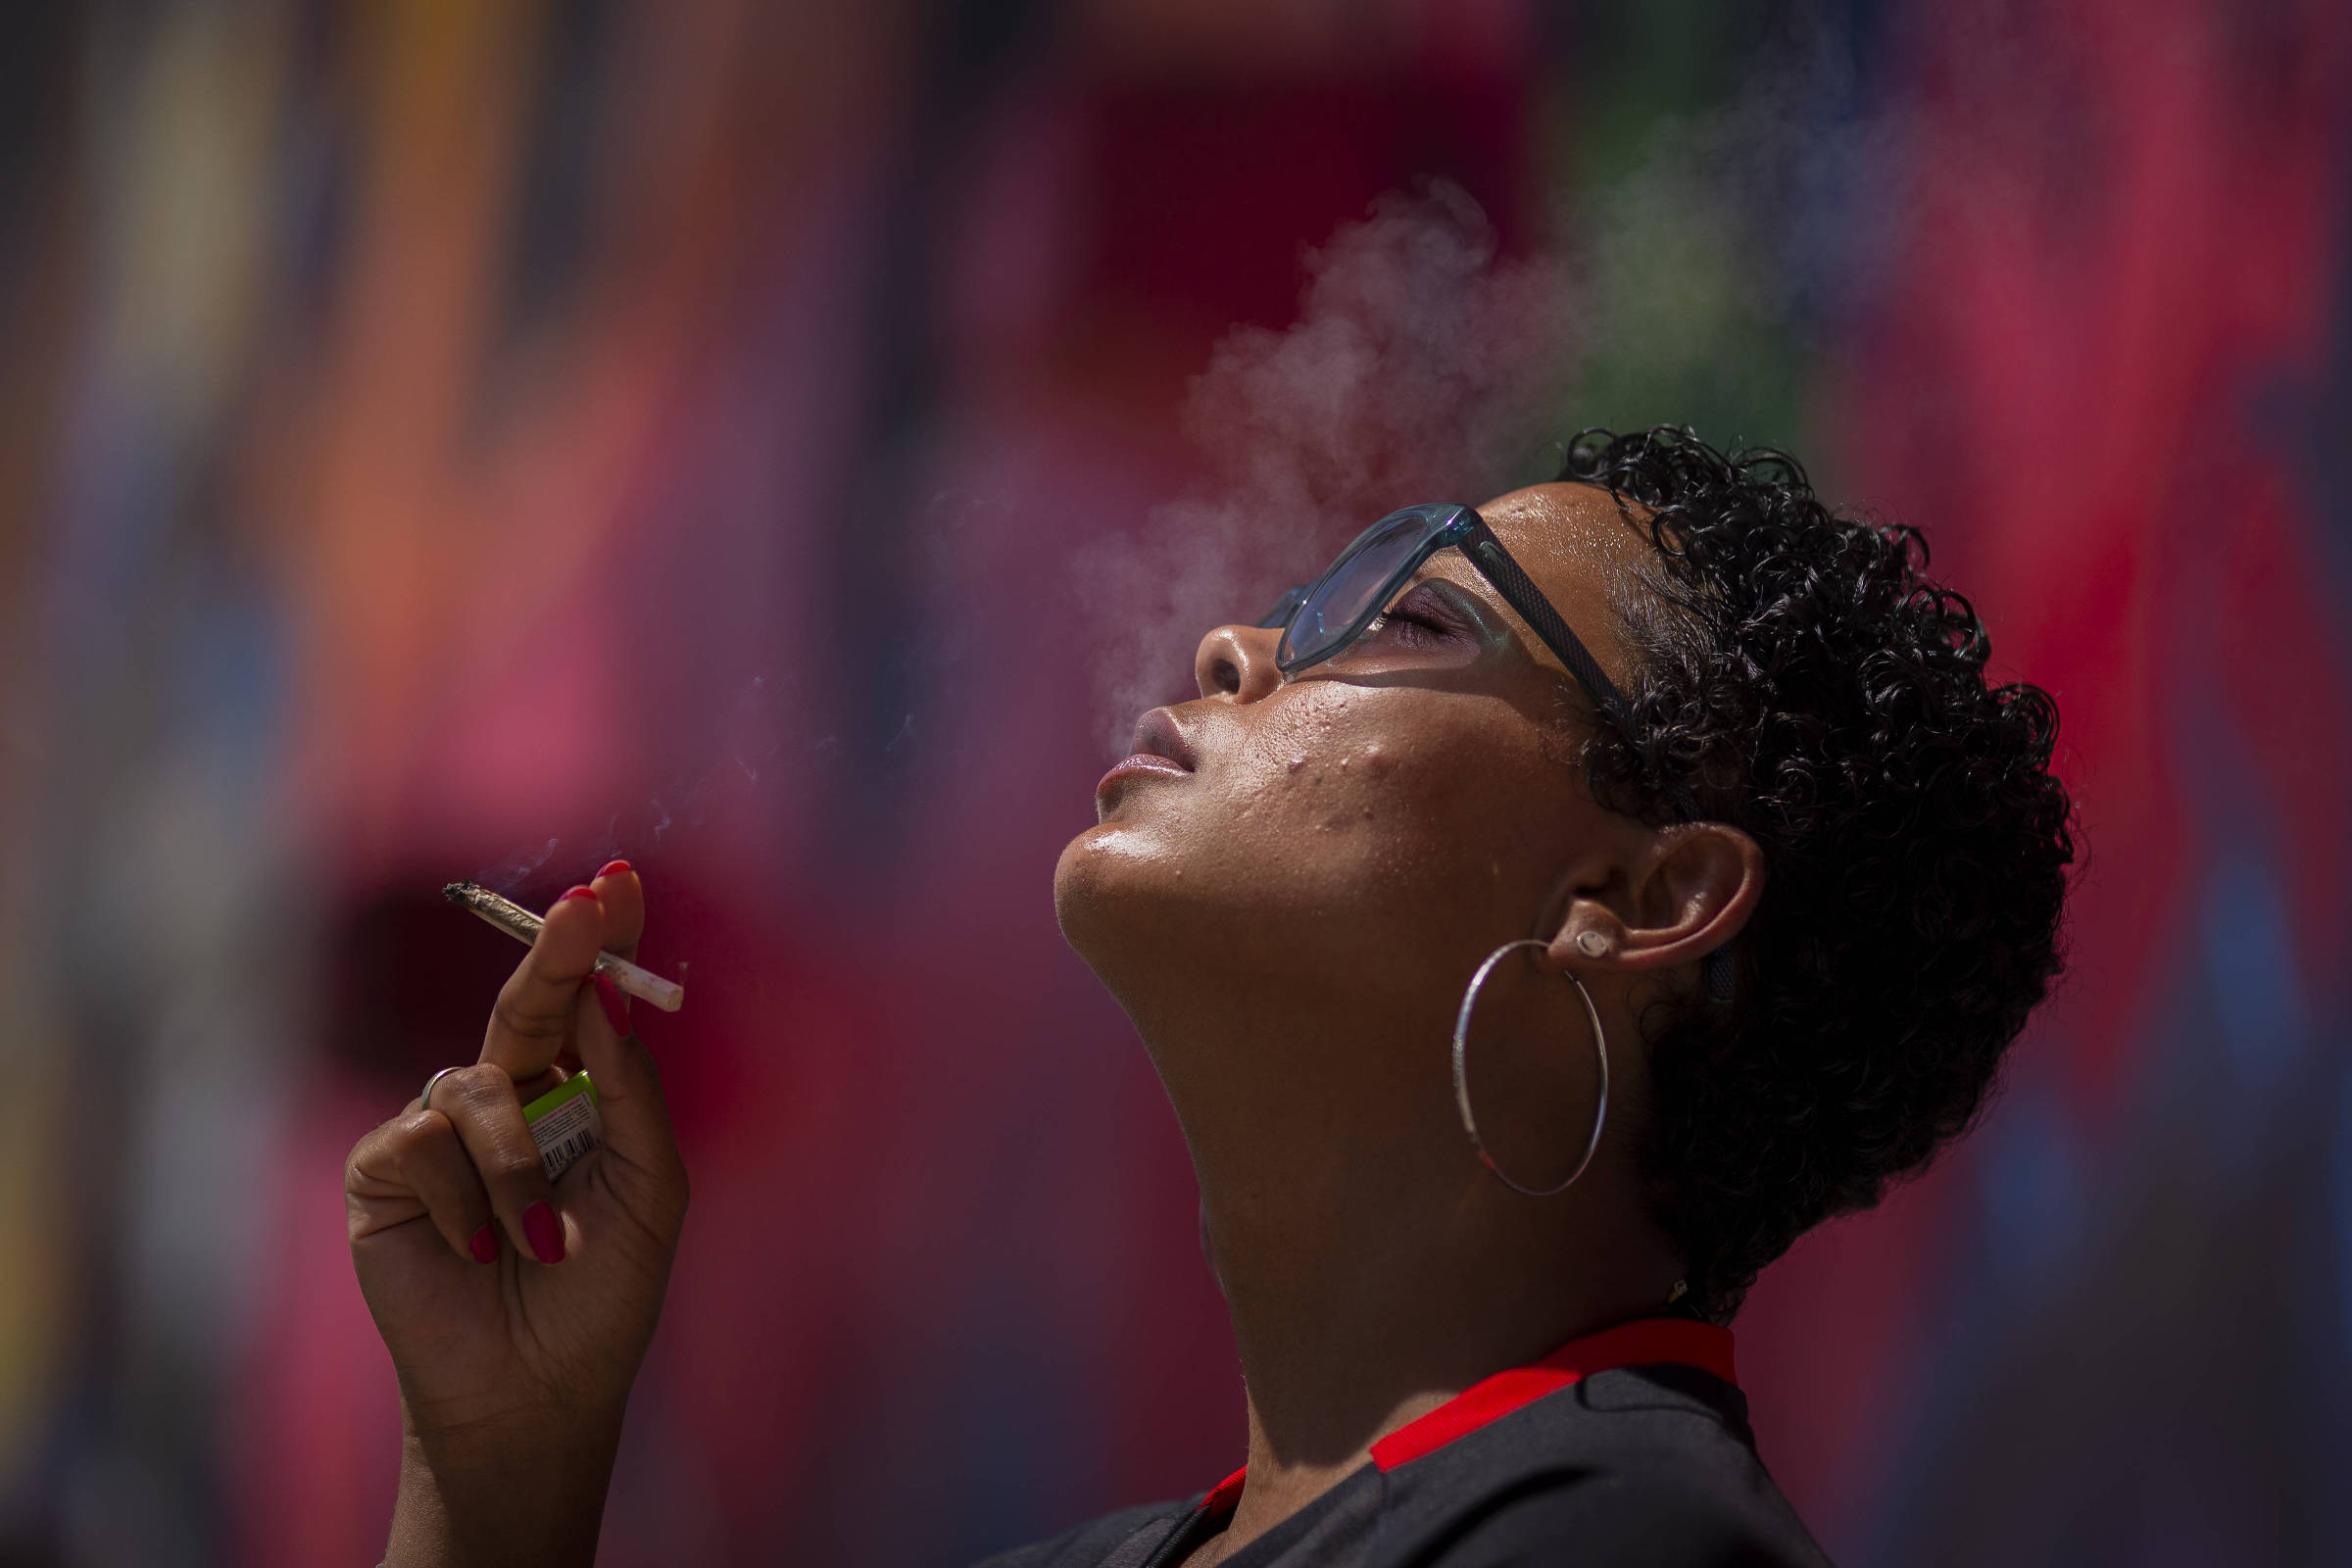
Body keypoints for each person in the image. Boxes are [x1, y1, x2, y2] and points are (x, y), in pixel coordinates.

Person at [346, 426, 2075, 1566]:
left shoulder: (1610, 1540)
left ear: (1637, 900)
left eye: (1405, 626)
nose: (1238, 649)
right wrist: (503, 1458)